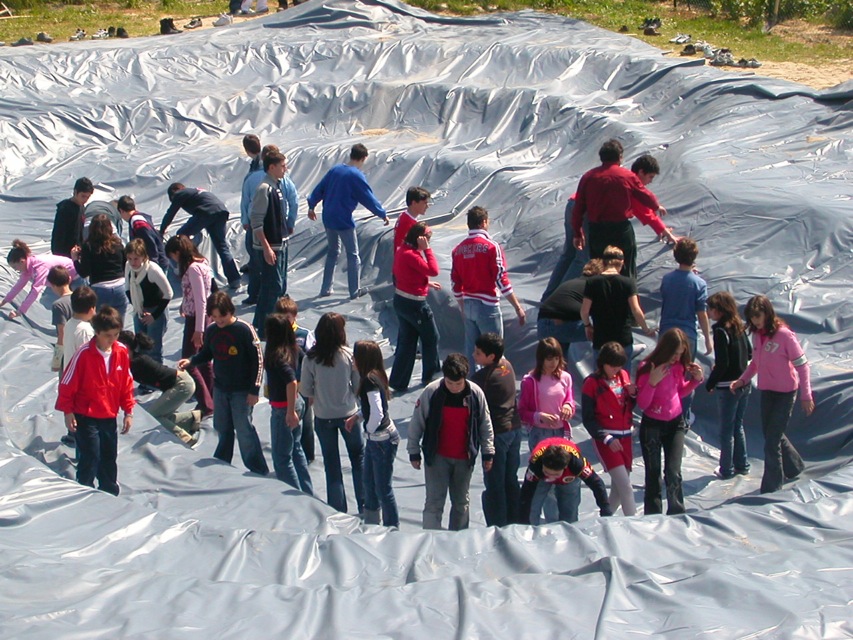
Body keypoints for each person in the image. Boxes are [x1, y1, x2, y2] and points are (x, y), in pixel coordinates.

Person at [731, 295, 814, 494]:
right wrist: (742, 380)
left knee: (772, 440)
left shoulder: (785, 335)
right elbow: (756, 365)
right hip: (767, 391)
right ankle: (794, 466)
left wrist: (806, 395)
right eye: (751, 318)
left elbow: (803, 366)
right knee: (771, 433)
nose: (755, 321)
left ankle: (771, 486)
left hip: (786, 393)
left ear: (768, 313)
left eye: (758, 316)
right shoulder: (757, 335)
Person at [179, 291, 268, 475]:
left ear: (231, 311)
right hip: (221, 388)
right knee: (222, 426)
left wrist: (254, 389)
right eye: (215, 317)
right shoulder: (212, 330)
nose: (219, 321)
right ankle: (222, 463)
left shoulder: (244, 329)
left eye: (222, 316)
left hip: (241, 391)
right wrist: (192, 361)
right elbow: (207, 353)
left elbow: (258, 360)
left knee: (243, 429)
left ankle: (258, 468)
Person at [407, 353, 495, 531]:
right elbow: (417, 422)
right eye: (450, 383)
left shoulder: (476, 394)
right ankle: (430, 540)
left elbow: (485, 424)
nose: (454, 387)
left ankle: (458, 542)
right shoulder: (431, 392)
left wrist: (488, 452)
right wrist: (413, 451)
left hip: (464, 458)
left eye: (458, 383)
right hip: (437, 458)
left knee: (461, 502)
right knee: (433, 502)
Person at [56, 305, 134, 495]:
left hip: (108, 414)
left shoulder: (121, 352)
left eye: (116, 335)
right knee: (91, 454)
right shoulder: (83, 354)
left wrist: (128, 410)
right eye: (108, 335)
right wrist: (68, 411)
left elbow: (126, 382)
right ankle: (85, 489)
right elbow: (67, 383)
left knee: (108, 456)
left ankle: (109, 491)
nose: (112, 340)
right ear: (97, 332)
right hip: (86, 414)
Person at [572, 141, 674, 279]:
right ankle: (627, 296)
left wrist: (578, 232)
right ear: (619, 157)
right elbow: (645, 196)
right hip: (620, 229)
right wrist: (656, 206)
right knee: (627, 267)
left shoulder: (588, 177)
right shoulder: (626, 176)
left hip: (597, 230)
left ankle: (599, 298)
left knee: (598, 268)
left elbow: (579, 207)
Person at [307, 143, 389, 299]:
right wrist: (382, 213)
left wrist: (311, 205)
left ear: (351, 154)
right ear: (363, 158)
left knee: (332, 252)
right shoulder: (356, 176)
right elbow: (368, 198)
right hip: (343, 220)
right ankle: (354, 290)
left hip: (328, 217)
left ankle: (325, 288)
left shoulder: (335, 170)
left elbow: (320, 188)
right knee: (353, 254)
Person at [636, 328, 704, 515]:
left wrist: (695, 381)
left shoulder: (678, 367)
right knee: (653, 474)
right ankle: (653, 515)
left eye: (680, 354)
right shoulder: (647, 367)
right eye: (674, 353)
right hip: (653, 425)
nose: (676, 358)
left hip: (675, 423)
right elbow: (643, 403)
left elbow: (678, 392)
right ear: (665, 349)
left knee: (674, 472)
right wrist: (652, 383)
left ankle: (677, 512)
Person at [300, 312, 364, 514]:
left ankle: (338, 509)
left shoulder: (311, 359)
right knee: (358, 459)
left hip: (323, 415)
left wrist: (318, 395)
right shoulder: (348, 355)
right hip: (349, 415)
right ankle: (365, 505)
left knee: (331, 463)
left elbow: (305, 389)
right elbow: (358, 385)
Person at [450, 206, 526, 364]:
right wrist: (517, 307)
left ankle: (471, 386)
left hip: (469, 304)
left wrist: (462, 306)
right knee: (495, 354)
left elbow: (455, 284)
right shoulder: (492, 247)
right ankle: (497, 386)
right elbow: (501, 279)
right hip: (487, 306)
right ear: (484, 222)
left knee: (472, 354)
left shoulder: (458, 250)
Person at [518, 337, 578, 522]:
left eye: (556, 359)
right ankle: (551, 521)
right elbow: (522, 411)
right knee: (548, 480)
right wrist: (539, 416)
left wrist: (568, 406)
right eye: (549, 359)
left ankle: (567, 521)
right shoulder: (530, 381)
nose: (553, 363)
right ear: (541, 359)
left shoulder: (565, 377)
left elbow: (570, 399)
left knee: (565, 478)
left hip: (561, 434)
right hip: (541, 435)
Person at [346, 340, 400, 527]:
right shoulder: (373, 377)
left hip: (382, 441)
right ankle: (372, 525)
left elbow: (377, 412)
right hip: (376, 440)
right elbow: (373, 408)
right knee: (368, 484)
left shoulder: (369, 380)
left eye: (355, 356)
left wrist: (368, 429)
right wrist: (357, 417)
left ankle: (391, 528)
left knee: (383, 488)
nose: (352, 359)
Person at [581, 342, 638, 516]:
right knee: (626, 487)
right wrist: (606, 438)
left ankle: (605, 521)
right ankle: (635, 527)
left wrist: (634, 394)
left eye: (619, 365)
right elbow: (588, 419)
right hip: (607, 440)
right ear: (602, 363)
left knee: (618, 492)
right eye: (612, 365)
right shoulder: (591, 383)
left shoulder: (623, 376)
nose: (616, 369)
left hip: (626, 437)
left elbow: (629, 406)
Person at [471, 332, 521, 527]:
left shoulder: (482, 378)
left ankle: (498, 525)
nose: (474, 355)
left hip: (497, 434)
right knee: (511, 479)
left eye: (478, 353)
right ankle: (515, 520)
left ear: (491, 357)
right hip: (515, 429)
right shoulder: (507, 366)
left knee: (495, 484)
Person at [660, 237, 712, 423]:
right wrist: (707, 337)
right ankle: (683, 415)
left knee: (664, 372)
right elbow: (701, 313)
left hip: (666, 332)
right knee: (685, 375)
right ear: (694, 257)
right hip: (687, 334)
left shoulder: (667, 279)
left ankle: (662, 409)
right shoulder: (699, 284)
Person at [119, 330, 201, 447]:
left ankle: (185, 438)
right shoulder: (133, 361)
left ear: (125, 347)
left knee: (154, 415)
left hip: (181, 384)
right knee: (161, 415)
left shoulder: (136, 362)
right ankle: (191, 419)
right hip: (178, 383)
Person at [581, 245, 655, 368]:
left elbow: (584, 311)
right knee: (623, 379)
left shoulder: (592, 282)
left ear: (604, 262)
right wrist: (646, 329)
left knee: (600, 381)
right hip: (622, 339)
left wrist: (587, 326)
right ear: (621, 262)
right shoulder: (628, 283)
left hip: (601, 340)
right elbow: (636, 310)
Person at [250, 149, 298, 339]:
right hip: (271, 247)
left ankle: (260, 324)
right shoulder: (264, 189)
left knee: (278, 286)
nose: (285, 169)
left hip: (281, 243)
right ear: (272, 167)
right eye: (282, 166)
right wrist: (267, 248)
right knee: (272, 286)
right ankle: (264, 329)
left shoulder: (277, 186)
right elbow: (256, 220)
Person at [165, 235, 214, 418]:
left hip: (197, 319)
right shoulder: (203, 263)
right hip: (197, 316)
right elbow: (194, 294)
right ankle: (211, 397)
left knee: (189, 361)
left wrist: (199, 329)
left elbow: (201, 300)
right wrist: (184, 304)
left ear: (178, 252)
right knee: (203, 360)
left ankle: (206, 403)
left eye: (173, 256)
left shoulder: (193, 269)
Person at [389, 221, 441, 392]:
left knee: (407, 342)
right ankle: (431, 377)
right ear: (421, 239)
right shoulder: (412, 255)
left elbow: (406, 274)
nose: (429, 242)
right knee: (431, 338)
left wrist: (426, 283)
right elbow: (433, 270)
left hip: (401, 301)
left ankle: (398, 381)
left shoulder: (402, 251)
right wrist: (427, 250)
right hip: (415, 305)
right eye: (428, 239)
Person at [264, 313, 313, 494]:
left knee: (281, 457)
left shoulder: (277, 355)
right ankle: (306, 491)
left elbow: (291, 381)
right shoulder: (294, 349)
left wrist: (289, 411)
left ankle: (294, 496)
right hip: (297, 403)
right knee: (296, 449)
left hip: (284, 408)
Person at [706, 292, 752, 480]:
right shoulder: (739, 326)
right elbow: (749, 353)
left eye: (709, 309)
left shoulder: (720, 331)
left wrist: (711, 382)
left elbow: (722, 363)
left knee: (726, 430)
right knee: (737, 426)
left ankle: (726, 469)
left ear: (718, 310)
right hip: (744, 382)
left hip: (728, 386)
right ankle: (742, 464)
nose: (708, 313)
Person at [160, 183, 242, 289]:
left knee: (181, 236)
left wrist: (162, 230)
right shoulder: (196, 192)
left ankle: (181, 265)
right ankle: (235, 280)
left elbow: (170, 213)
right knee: (222, 247)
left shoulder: (179, 193)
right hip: (221, 211)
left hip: (206, 212)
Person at [518, 437, 613, 525]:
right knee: (532, 509)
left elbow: (597, 484)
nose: (551, 477)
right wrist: (524, 522)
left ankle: (570, 537)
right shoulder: (536, 464)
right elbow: (526, 493)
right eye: (547, 472)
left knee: (570, 511)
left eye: (555, 474)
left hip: (568, 478)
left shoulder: (576, 464)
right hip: (540, 478)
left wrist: (605, 510)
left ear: (565, 467)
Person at [275, 295, 316, 462]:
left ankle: (308, 455)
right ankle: (290, 453)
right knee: (285, 421)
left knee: (307, 422)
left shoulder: (304, 334)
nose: (285, 321)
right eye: (282, 318)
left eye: (289, 318)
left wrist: (313, 387)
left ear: (295, 317)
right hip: (283, 386)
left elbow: (312, 360)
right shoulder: (275, 335)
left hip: (303, 385)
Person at [537, 258, 603, 361]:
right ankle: (605, 371)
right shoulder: (594, 285)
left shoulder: (572, 282)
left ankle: (559, 375)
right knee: (605, 331)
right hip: (561, 325)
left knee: (559, 364)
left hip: (542, 325)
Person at [1, 240, 77, 320]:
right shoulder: (27, 269)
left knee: (75, 303)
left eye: (15, 268)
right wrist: (4, 302)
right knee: (57, 301)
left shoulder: (39, 267)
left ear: (22, 262)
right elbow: (18, 286)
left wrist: (19, 311)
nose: (16, 270)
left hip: (76, 276)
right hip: (63, 279)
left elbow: (35, 291)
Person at [72, 214, 128, 322]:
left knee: (100, 327)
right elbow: (124, 265)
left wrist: (75, 259)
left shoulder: (89, 246)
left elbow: (84, 272)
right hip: (120, 287)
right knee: (118, 326)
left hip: (100, 288)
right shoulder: (118, 244)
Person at [124, 240, 172, 364]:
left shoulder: (152, 270)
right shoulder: (128, 267)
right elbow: (128, 289)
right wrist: (138, 307)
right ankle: (145, 381)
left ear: (144, 257)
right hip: (139, 310)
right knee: (140, 347)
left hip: (155, 310)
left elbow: (168, 293)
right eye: (130, 258)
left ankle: (156, 382)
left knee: (154, 350)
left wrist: (154, 316)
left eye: (136, 259)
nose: (133, 262)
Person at [240, 143, 274, 304]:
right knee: (274, 262)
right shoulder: (280, 179)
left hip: (255, 225)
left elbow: (245, 201)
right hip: (273, 226)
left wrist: (245, 221)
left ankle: (254, 294)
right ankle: (273, 295)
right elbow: (291, 200)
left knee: (255, 262)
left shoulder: (252, 177)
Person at [540, 193, 588, 301]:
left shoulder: (594, 176)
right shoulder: (628, 179)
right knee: (583, 258)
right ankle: (558, 301)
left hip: (574, 203)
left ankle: (548, 298)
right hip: (585, 209)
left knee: (569, 254)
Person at [117, 196, 169, 271]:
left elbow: (150, 243)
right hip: (158, 260)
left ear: (121, 211)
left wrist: (152, 266)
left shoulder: (137, 222)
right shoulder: (140, 217)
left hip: (156, 264)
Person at [51, 177, 94, 258]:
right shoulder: (65, 209)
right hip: (64, 254)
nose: (85, 199)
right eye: (83, 196)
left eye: (87, 197)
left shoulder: (82, 208)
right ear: (75, 192)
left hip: (76, 253)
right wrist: (58, 256)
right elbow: (58, 235)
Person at [47, 266, 73, 374]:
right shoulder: (81, 297)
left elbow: (62, 334)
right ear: (70, 279)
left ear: (52, 285)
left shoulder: (59, 305)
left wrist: (56, 361)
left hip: (69, 352)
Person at [393, 186, 431, 254]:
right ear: (414, 203)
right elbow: (401, 246)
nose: (427, 206)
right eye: (424, 203)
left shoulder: (404, 216)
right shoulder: (408, 223)